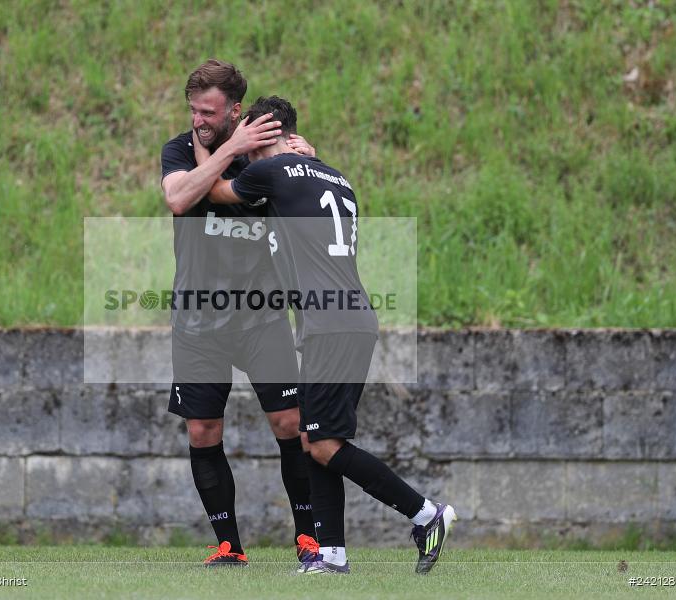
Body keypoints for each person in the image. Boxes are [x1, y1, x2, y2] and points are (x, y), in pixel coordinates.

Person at [197, 95, 457, 575]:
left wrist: (221, 147)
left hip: (331, 324)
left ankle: (425, 513)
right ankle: (331, 553)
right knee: (318, 435)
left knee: (322, 444)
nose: (242, 147)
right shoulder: (336, 176)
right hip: (348, 319)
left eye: (248, 137)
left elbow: (212, 190)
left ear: (265, 135)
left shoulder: (270, 172)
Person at [160, 60, 319, 567]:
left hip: (260, 316)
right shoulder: (180, 150)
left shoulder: (265, 148)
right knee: (203, 431)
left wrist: (306, 158)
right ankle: (229, 546)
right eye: (193, 110)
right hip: (197, 321)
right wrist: (226, 150)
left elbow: (305, 183)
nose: (198, 120)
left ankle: (307, 539)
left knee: (291, 423)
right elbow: (179, 199)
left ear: (234, 109)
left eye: (208, 111)